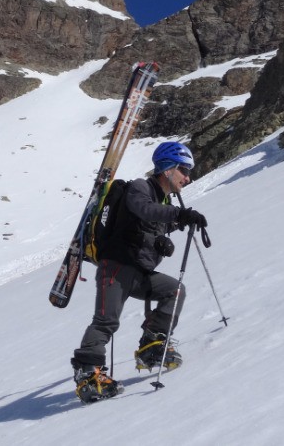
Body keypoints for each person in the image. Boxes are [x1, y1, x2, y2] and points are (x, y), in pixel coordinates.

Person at [70, 141, 208, 402]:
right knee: (106, 321)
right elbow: (144, 209)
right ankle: (88, 374)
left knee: (174, 290)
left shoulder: (162, 199)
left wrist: (162, 238)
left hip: (138, 273)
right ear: (168, 169)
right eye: (184, 170)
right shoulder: (140, 188)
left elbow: (145, 225)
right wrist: (180, 214)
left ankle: (152, 344)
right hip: (116, 269)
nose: (188, 177)